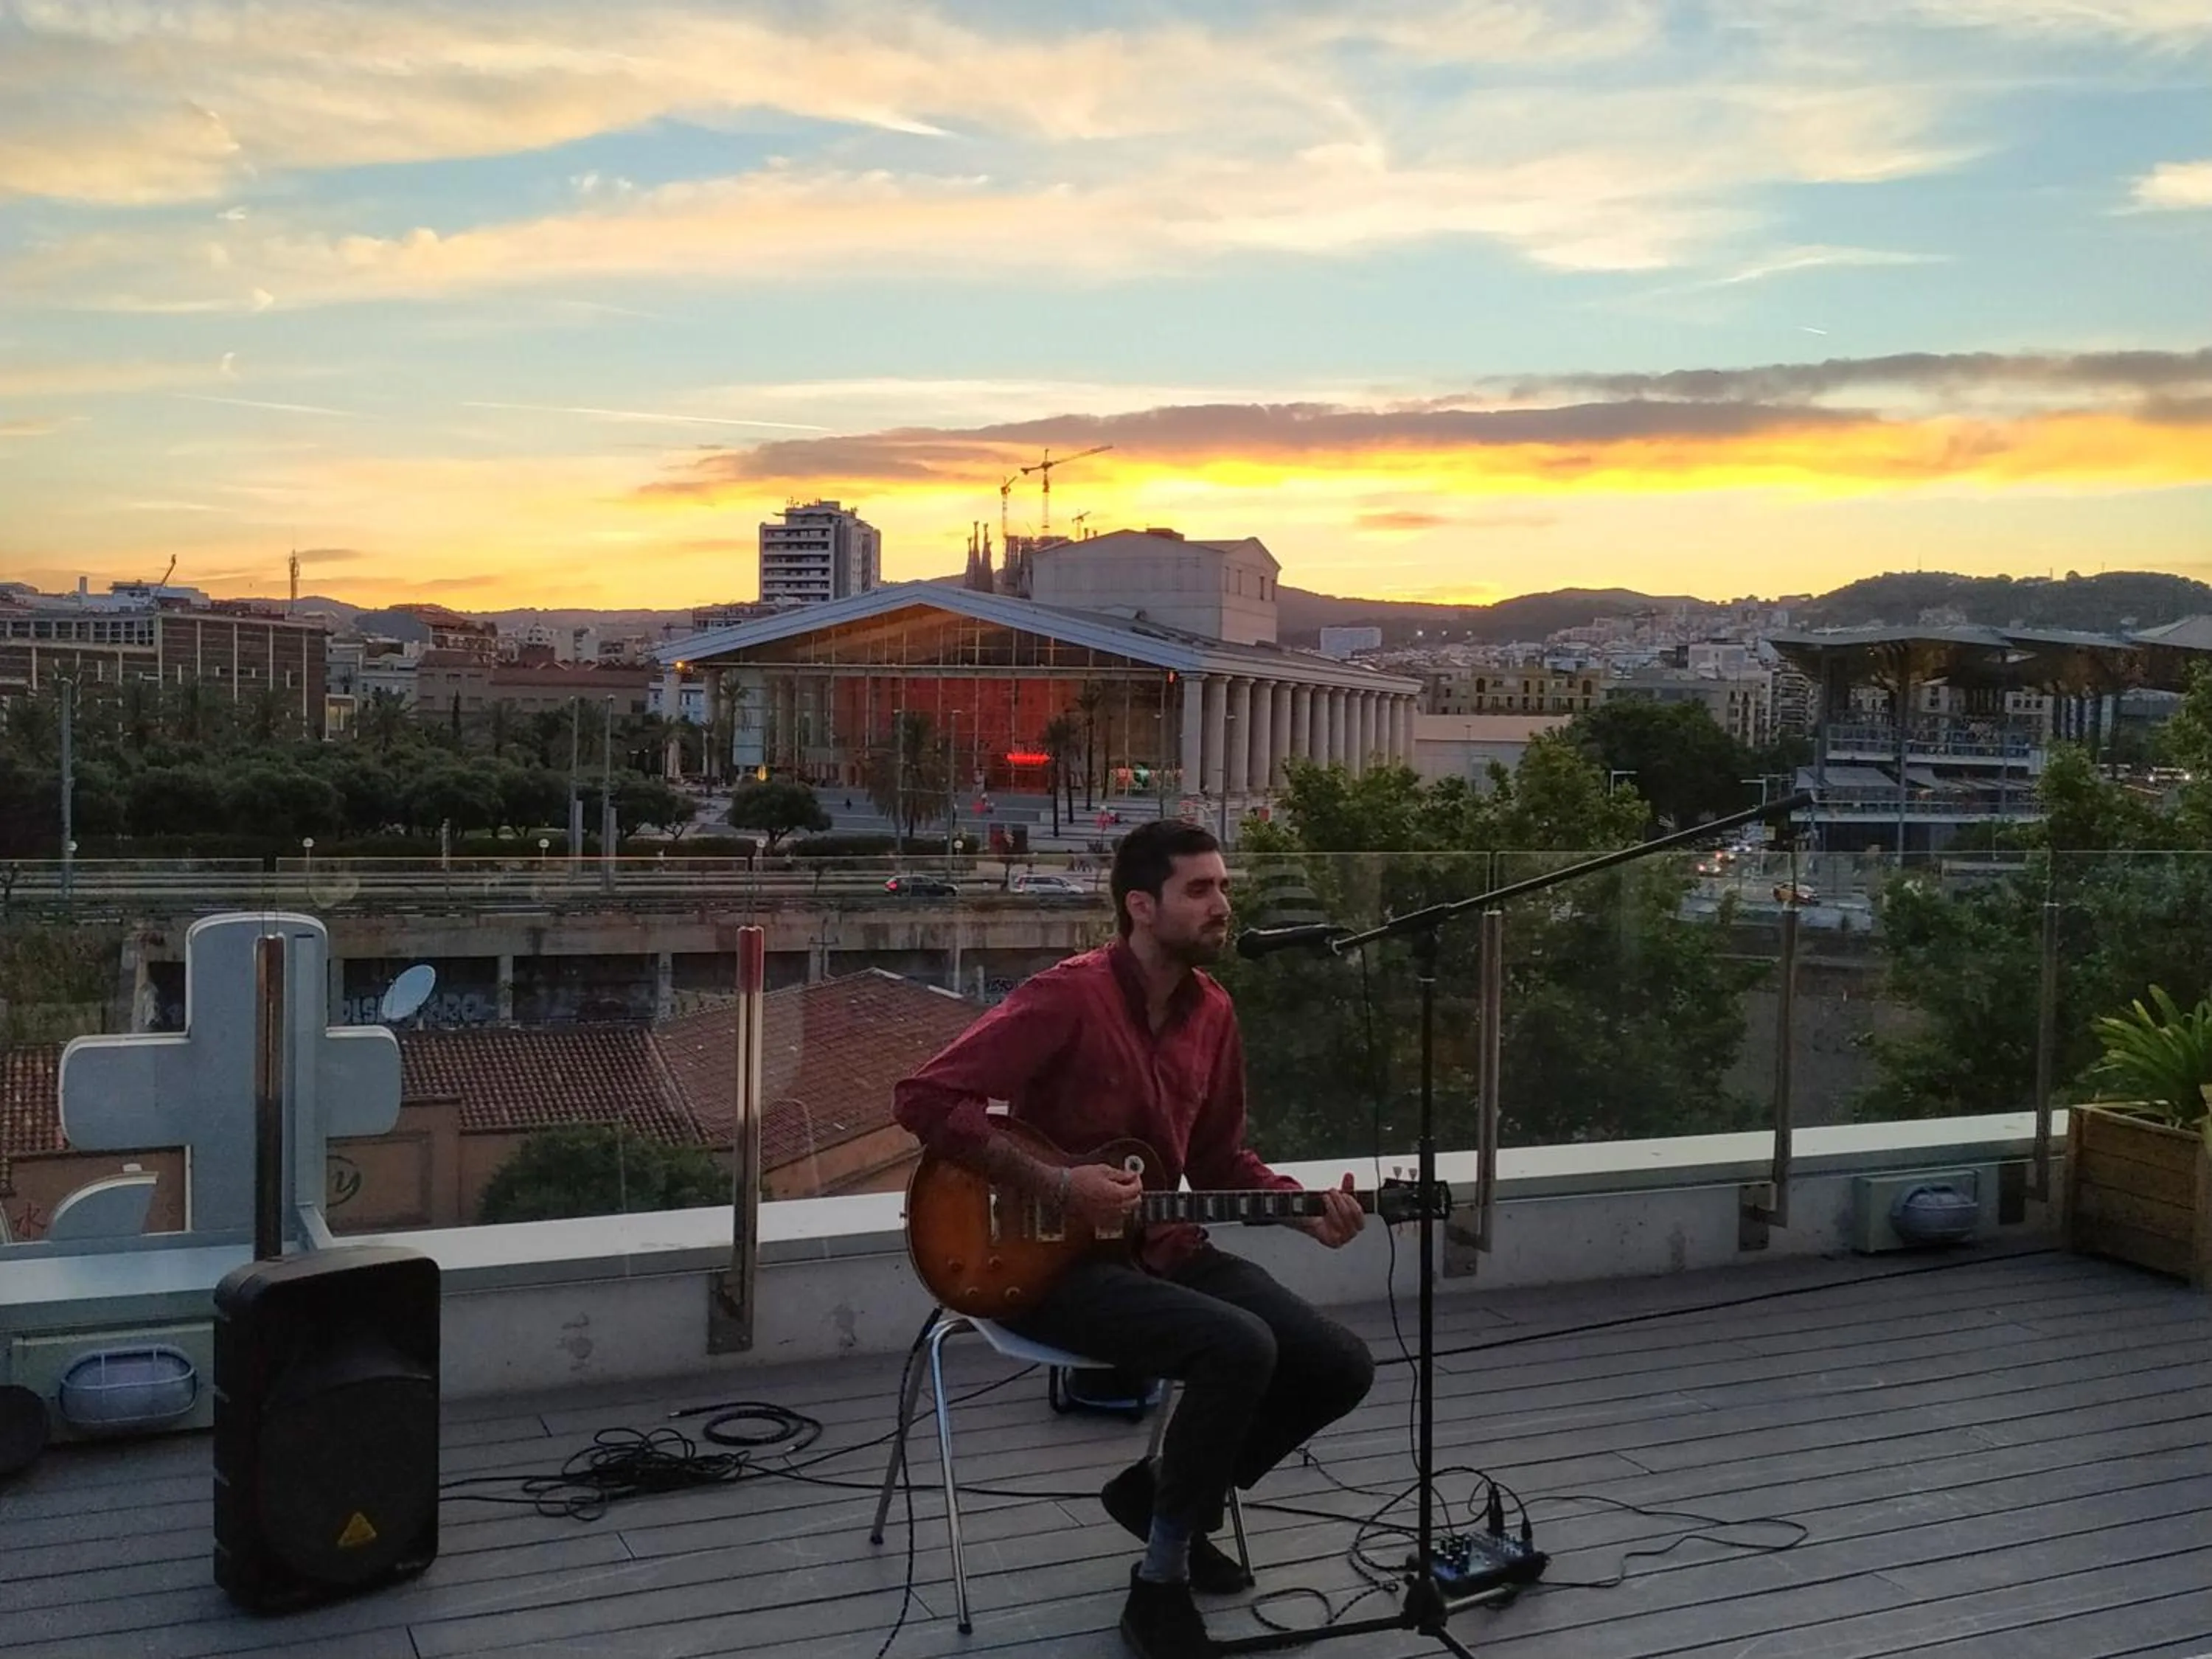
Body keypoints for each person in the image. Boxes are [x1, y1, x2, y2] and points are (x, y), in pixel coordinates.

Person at [894, 819, 1377, 1658]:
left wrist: (1299, 1208)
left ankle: (1159, 1495)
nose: (1223, 905)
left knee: (1340, 1365)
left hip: (1161, 1246)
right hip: (1046, 1266)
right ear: (1141, 907)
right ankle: (1159, 1582)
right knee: (1238, 1346)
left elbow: (1220, 1159)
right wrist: (1058, 1185)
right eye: (1201, 890)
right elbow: (924, 1099)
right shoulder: (1068, 997)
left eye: (1224, 887)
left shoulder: (1214, 1012)